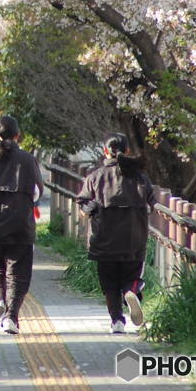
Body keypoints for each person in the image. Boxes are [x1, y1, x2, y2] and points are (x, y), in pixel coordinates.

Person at [76, 133, 154, 333]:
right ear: (128, 150)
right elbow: (152, 203)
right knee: (132, 274)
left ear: (105, 151)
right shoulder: (139, 177)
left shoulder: (95, 176)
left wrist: (91, 209)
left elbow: (83, 204)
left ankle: (117, 321)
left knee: (109, 283)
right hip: (134, 237)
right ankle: (131, 291)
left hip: (104, 239)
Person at [0, 115, 44, 335]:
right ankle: (11, 318)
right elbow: (36, 192)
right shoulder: (27, 159)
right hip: (20, 224)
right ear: (17, 136)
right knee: (18, 273)